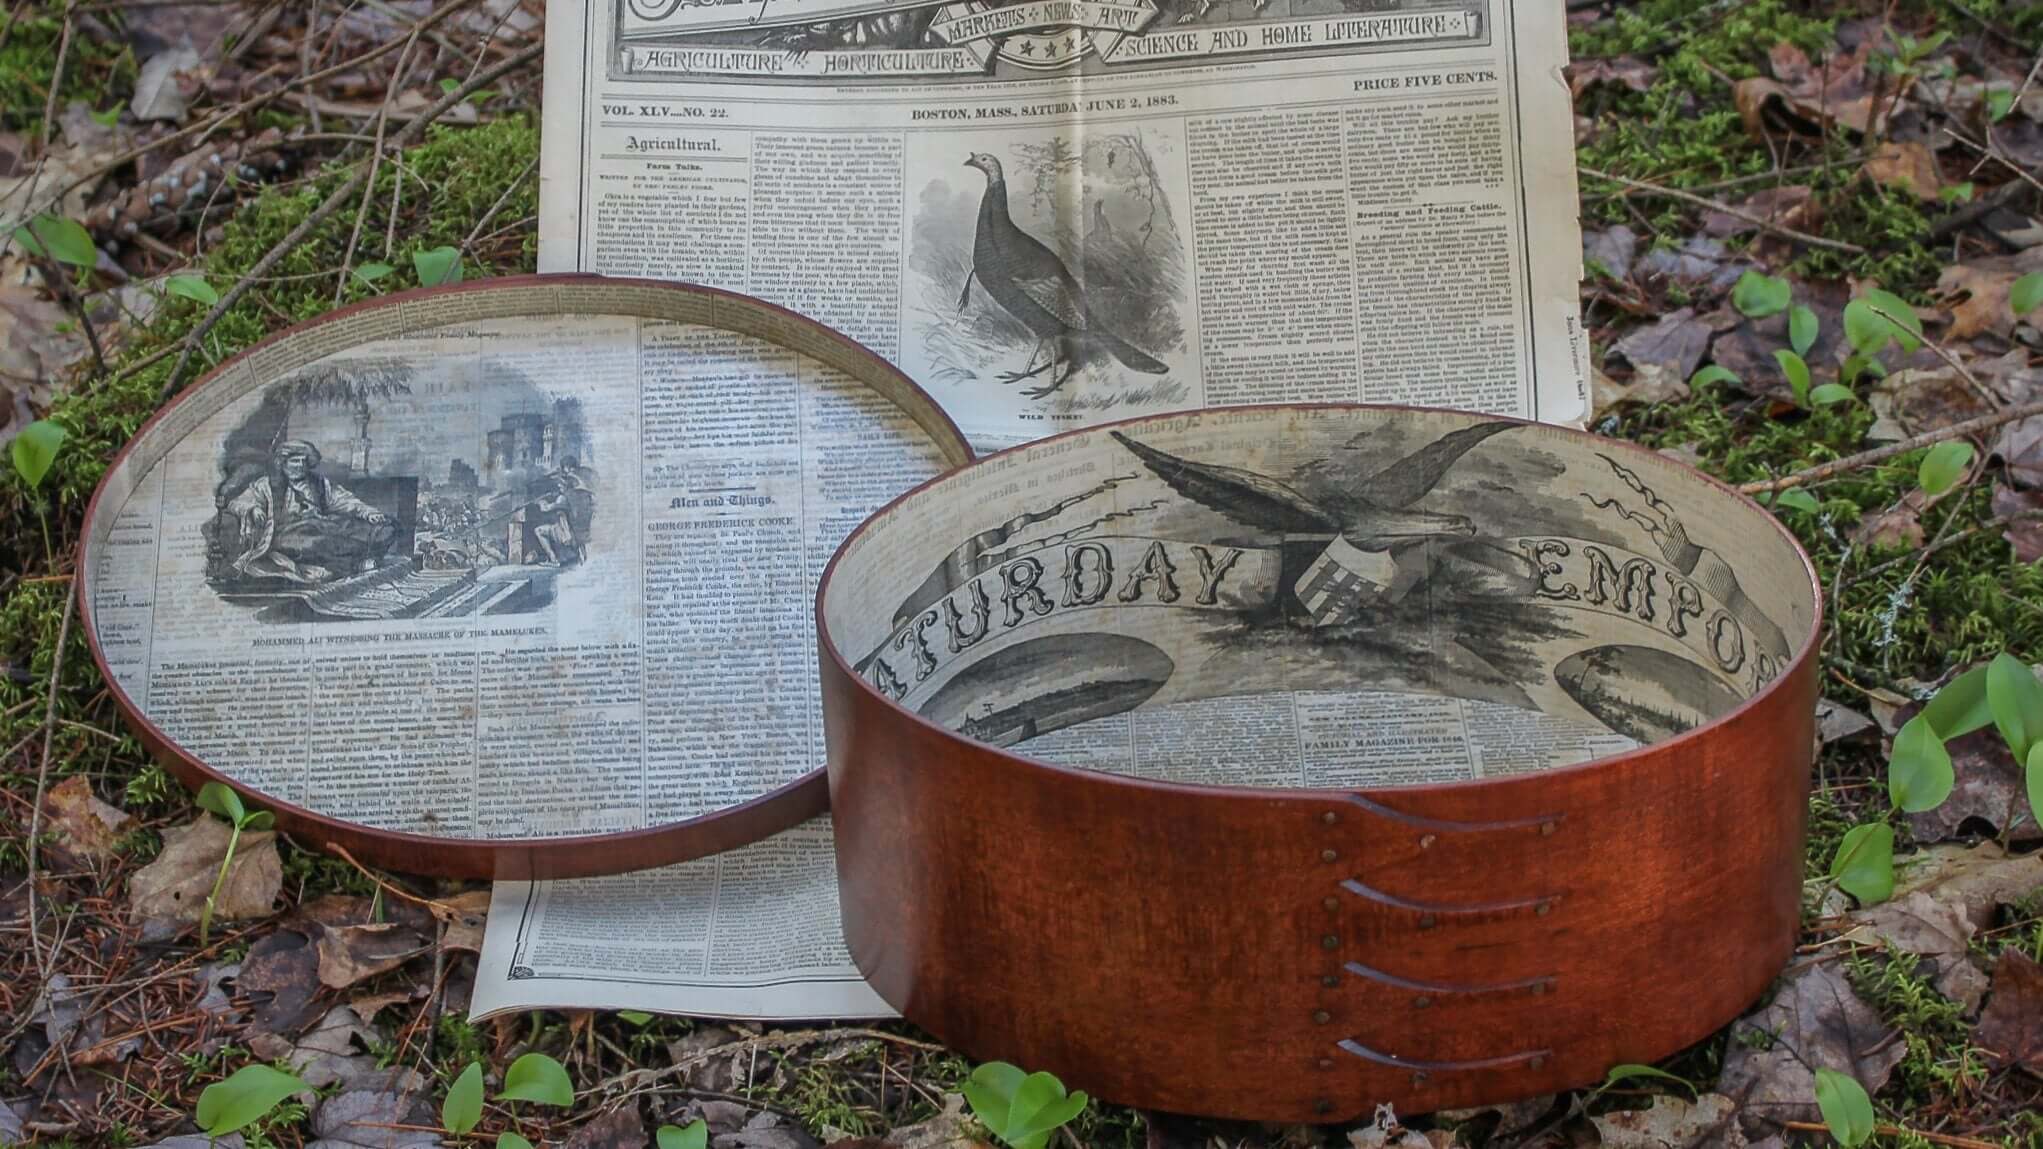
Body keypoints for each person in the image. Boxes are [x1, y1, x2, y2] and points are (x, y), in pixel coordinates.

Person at [224, 440, 397, 583]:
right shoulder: (266, 485)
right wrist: (253, 509)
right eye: (294, 461)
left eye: (303, 461)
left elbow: (346, 500)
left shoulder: (320, 484)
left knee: (384, 528)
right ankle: (356, 564)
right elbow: (238, 502)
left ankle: (363, 558)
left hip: (322, 525)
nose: (299, 465)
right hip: (287, 535)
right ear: (282, 463)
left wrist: (369, 513)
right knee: (316, 544)